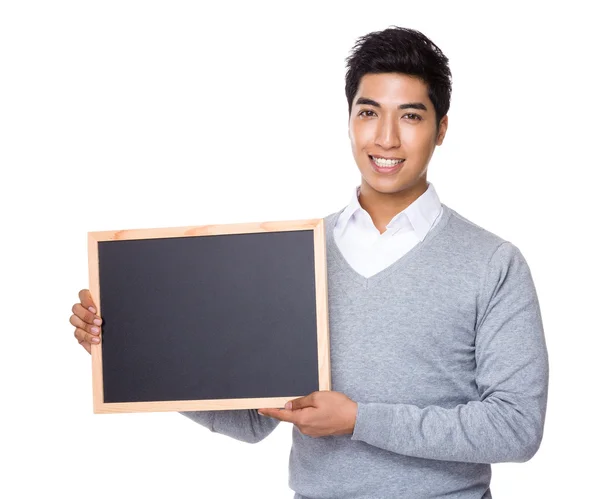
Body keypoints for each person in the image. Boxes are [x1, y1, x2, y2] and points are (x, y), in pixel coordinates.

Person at [70, 26, 548, 498]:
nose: (385, 138)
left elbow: (516, 427)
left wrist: (359, 421)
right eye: (368, 112)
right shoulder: (296, 255)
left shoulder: (492, 264)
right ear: (349, 120)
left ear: (441, 129)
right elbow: (250, 421)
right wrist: (130, 354)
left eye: (410, 116)